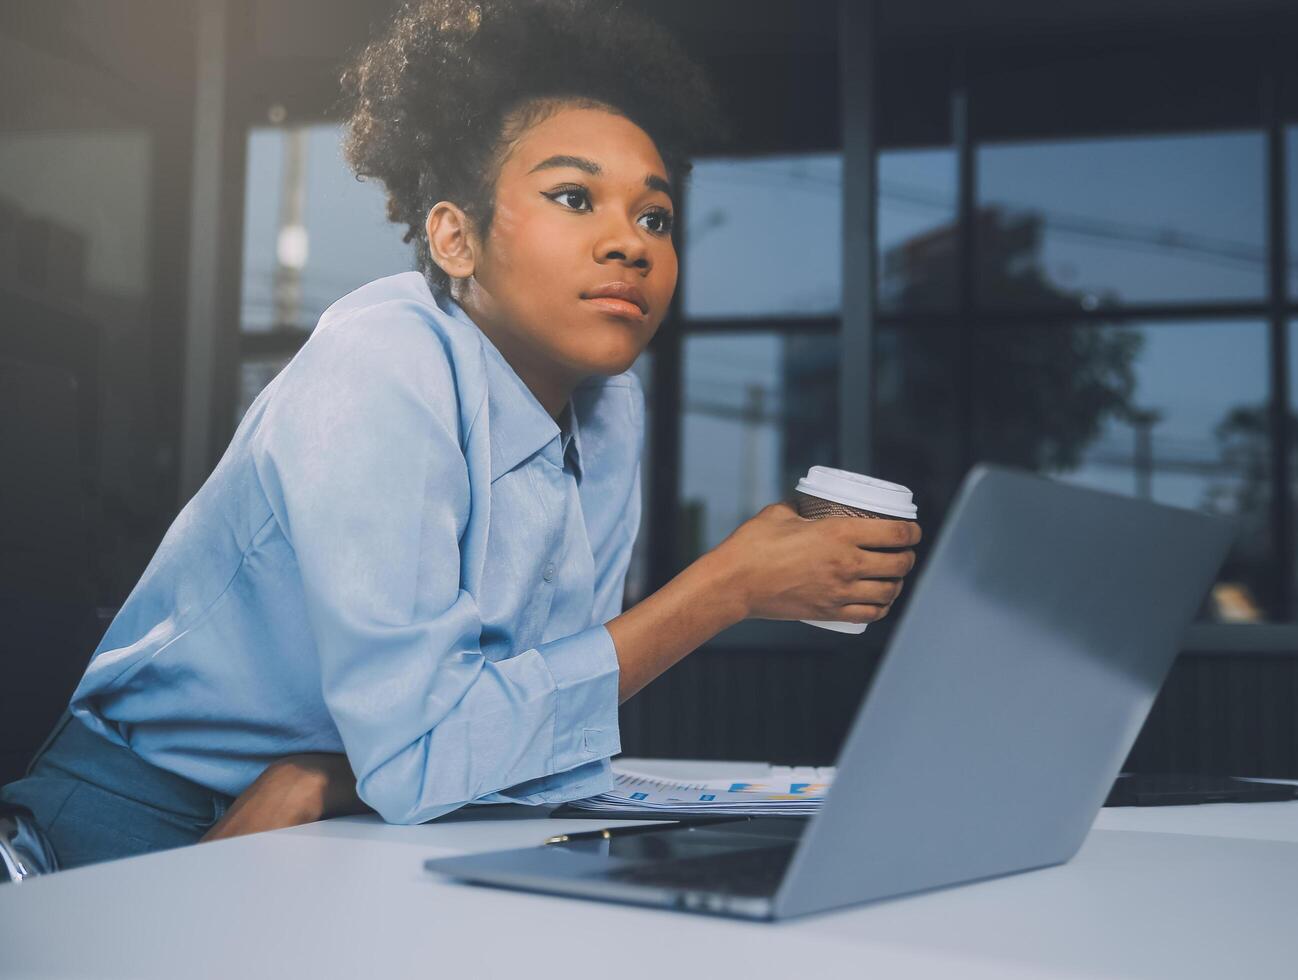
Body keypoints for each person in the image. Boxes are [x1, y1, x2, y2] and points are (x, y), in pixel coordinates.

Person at [0, 0, 921, 870]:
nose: (630, 243)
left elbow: (530, 730)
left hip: (352, 816)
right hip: (146, 825)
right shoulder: (383, 363)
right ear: (454, 238)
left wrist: (329, 779)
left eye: (655, 216)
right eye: (573, 197)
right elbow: (438, 749)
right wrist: (725, 587)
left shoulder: (609, 410)